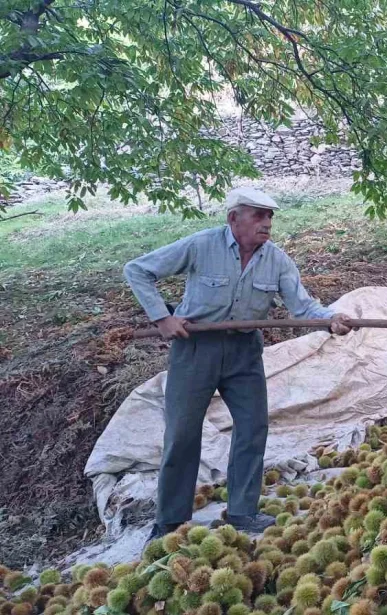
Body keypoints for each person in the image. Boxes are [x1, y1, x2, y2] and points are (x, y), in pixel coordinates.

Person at [123, 187, 353, 541]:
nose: (267, 223)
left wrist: (331, 318)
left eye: (270, 216)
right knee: (183, 433)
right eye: (258, 215)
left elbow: (303, 307)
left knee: (252, 426)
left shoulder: (276, 260)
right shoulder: (201, 246)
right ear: (234, 218)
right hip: (196, 348)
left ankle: (243, 512)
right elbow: (137, 270)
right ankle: (170, 520)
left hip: (244, 351)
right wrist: (162, 318)